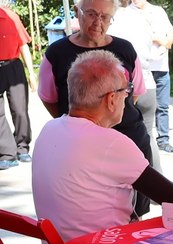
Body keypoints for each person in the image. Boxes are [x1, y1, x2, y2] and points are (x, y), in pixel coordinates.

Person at [31, 50, 173, 244]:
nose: (127, 97)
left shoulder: (50, 129)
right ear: (111, 99)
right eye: (125, 91)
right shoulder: (109, 143)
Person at [38, 0, 157, 219]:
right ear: (77, 13)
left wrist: (110, 119)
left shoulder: (125, 49)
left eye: (105, 17)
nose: (98, 23)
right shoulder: (57, 53)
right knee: (91, 210)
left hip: (129, 136)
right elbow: (48, 97)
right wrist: (82, 127)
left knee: (135, 212)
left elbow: (135, 92)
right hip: (81, 148)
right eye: (92, 14)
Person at [108, 0, 161, 172]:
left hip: (127, 89)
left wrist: (126, 98)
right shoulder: (141, 16)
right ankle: (158, 185)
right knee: (147, 137)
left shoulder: (114, 19)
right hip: (146, 82)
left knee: (131, 140)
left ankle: (153, 188)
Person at [131, 0, 173, 155]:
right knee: (137, 107)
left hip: (160, 68)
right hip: (141, 70)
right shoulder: (128, 13)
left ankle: (163, 140)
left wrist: (166, 42)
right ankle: (139, 141)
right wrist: (154, 38)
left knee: (163, 106)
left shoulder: (158, 11)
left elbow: (171, 33)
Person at [0, 0, 36, 169]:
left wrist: (32, 74)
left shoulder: (11, 17)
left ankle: (22, 147)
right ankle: (7, 153)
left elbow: (23, 46)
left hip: (13, 66)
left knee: (20, 109)